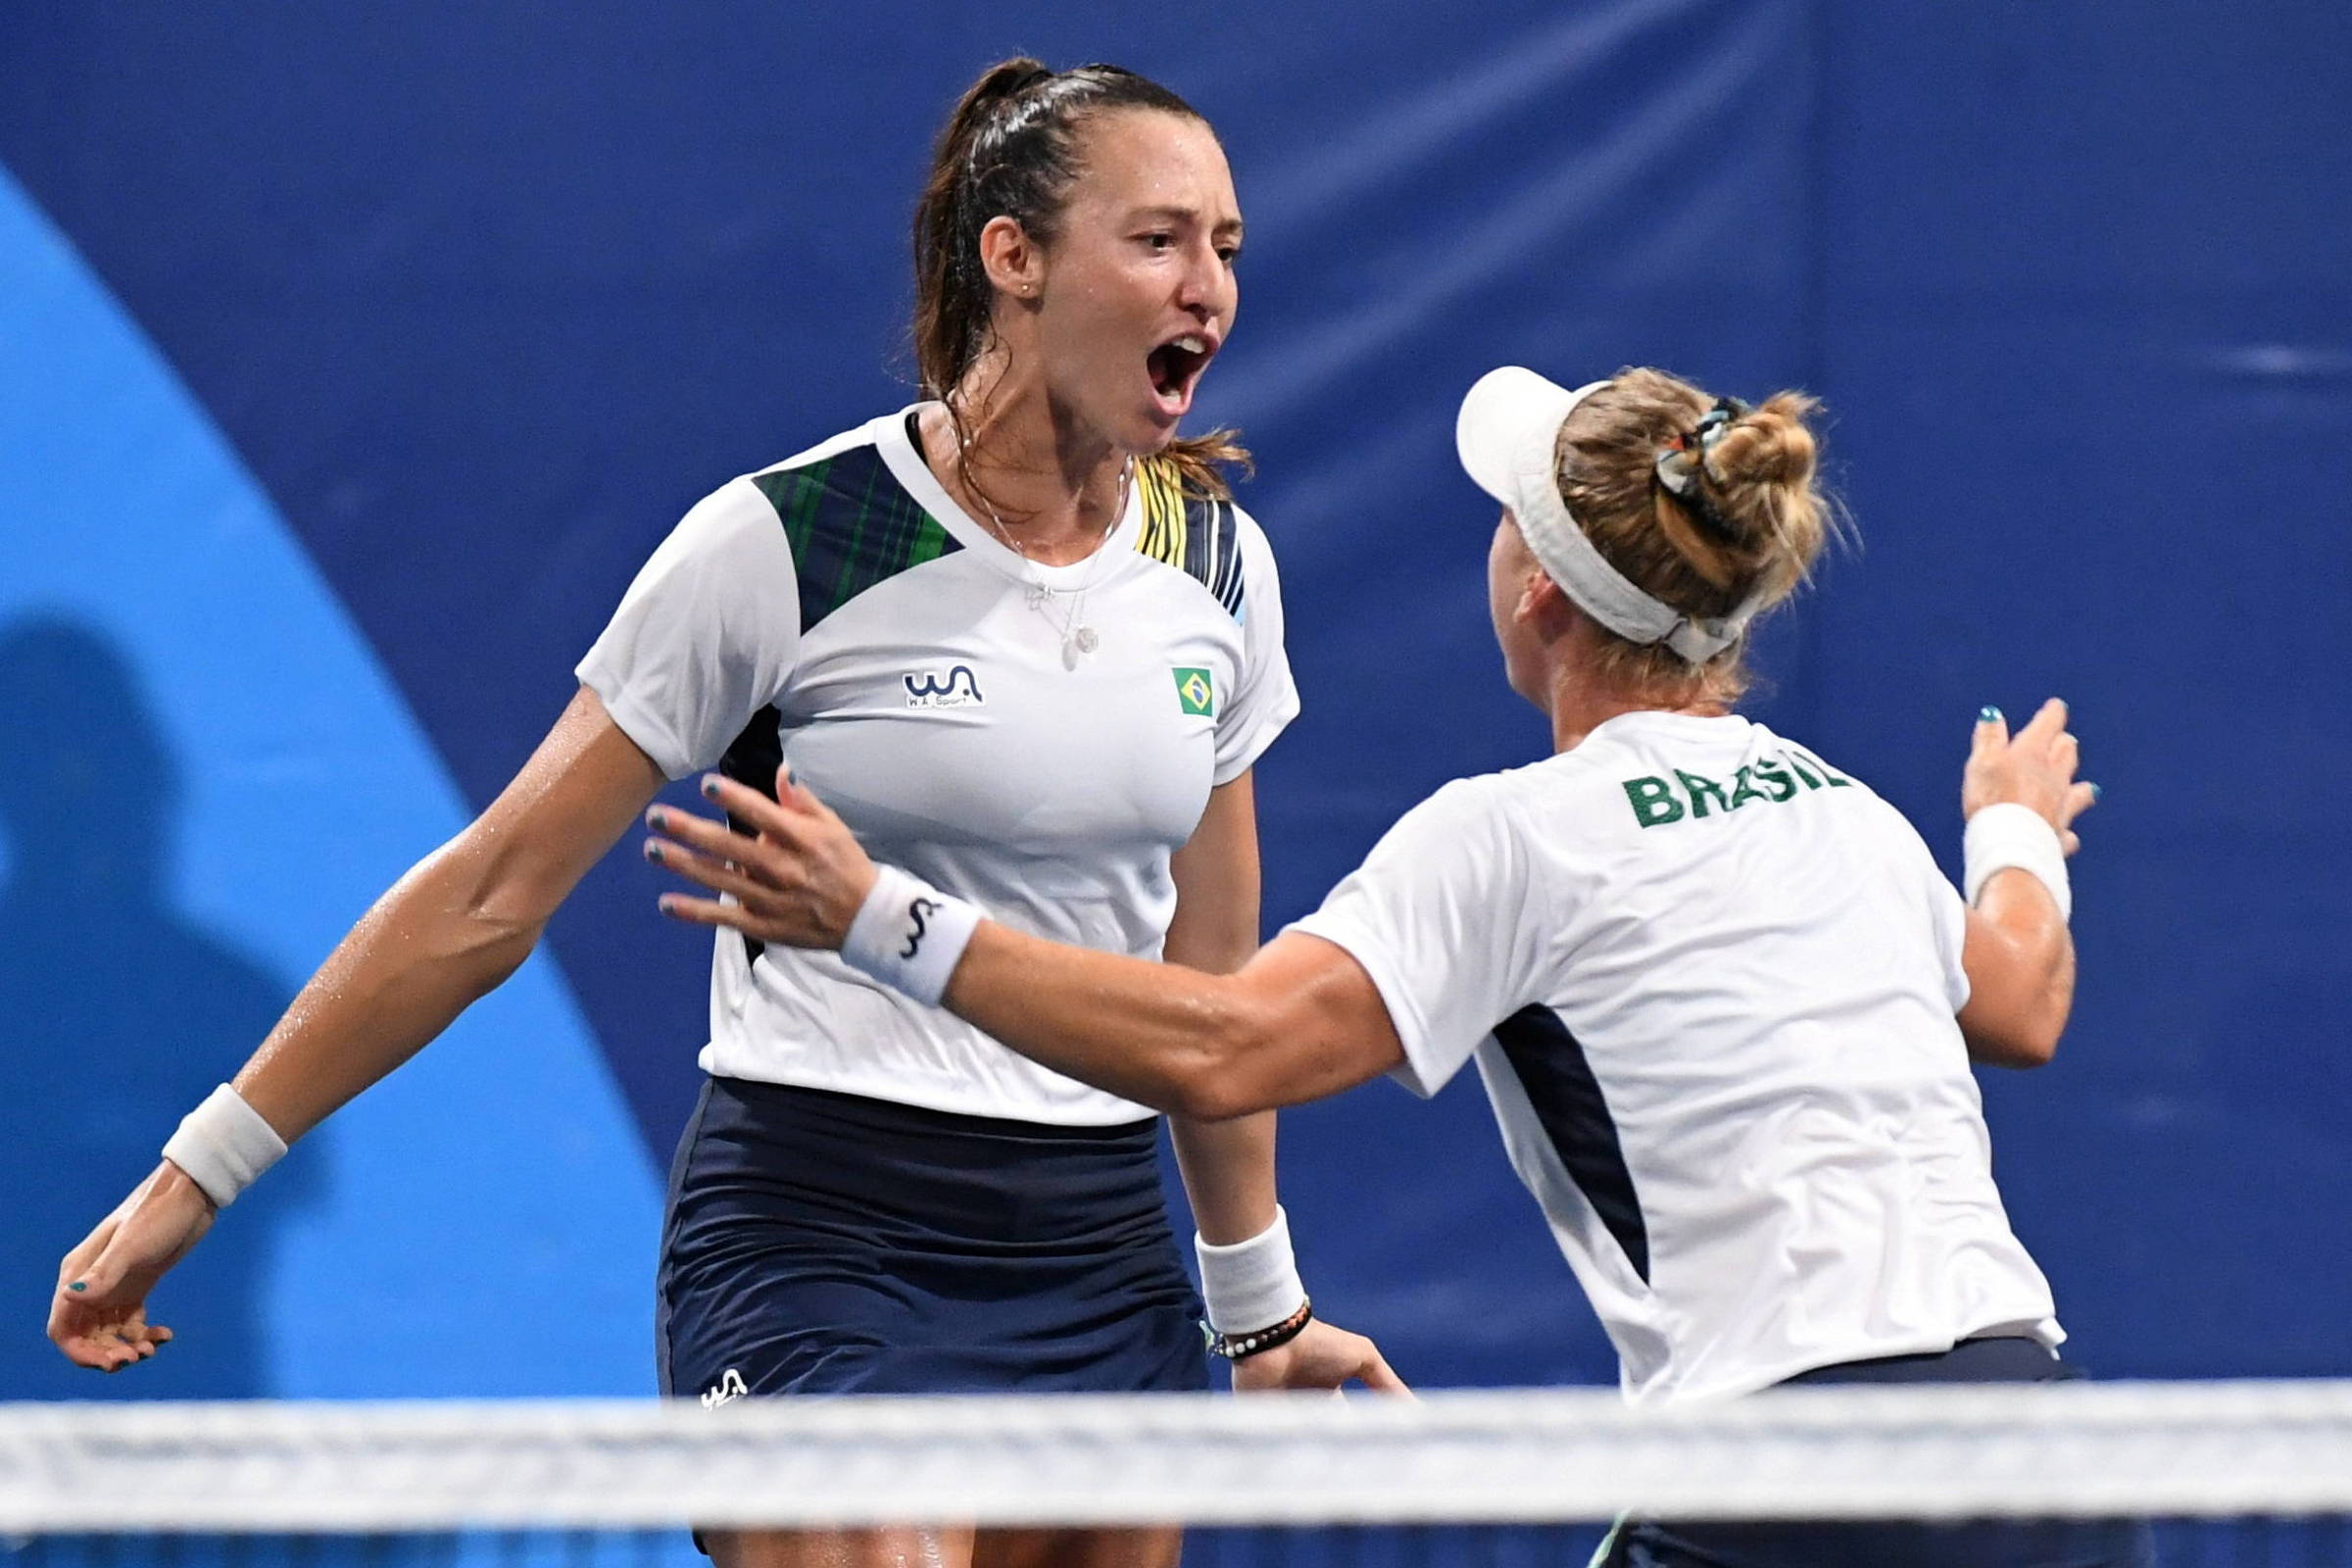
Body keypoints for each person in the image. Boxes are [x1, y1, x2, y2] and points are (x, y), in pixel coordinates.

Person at [48, 57, 1396, 1568]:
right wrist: (200, 1171)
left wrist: (1258, 1304)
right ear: (1011, 258)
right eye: (1158, 240)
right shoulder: (790, 542)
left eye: (1225, 247)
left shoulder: (1217, 570)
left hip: (1100, 1249)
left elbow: (1208, 994)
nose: (1206, 286)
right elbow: (493, 891)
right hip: (826, 1228)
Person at [644, 364, 2154, 1567]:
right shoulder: (1847, 814)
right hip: (2035, 1454)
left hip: (1777, 1480)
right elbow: (2018, 998)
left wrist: (880, 918)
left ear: (1538, 593)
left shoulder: (1514, 838)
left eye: (1506, 516)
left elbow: (1223, 1047)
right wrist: (2015, 836)